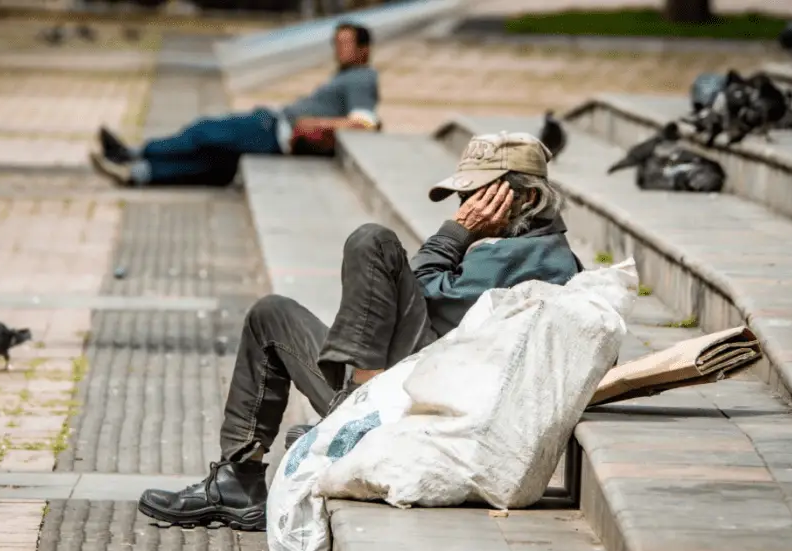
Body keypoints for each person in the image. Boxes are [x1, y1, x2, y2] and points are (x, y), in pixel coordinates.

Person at [135, 131, 584, 530]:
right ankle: (240, 479)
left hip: (417, 391)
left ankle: (349, 411)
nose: (464, 208)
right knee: (271, 315)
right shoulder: (512, 245)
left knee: (373, 242)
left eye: (478, 195)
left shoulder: (532, 255)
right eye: (462, 198)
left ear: (524, 199)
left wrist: (453, 236)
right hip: (403, 378)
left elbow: (428, 291)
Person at [89, 22, 380, 187]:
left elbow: (365, 122)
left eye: (346, 44)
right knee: (214, 165)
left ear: (364, 50)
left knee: (204, 132)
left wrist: (316, 124)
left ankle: (132, 153)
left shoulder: (361, 78)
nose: (339, 50)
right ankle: (138, 173)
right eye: (337, 43)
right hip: (275, 131)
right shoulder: (350, 76)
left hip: (274, 130)